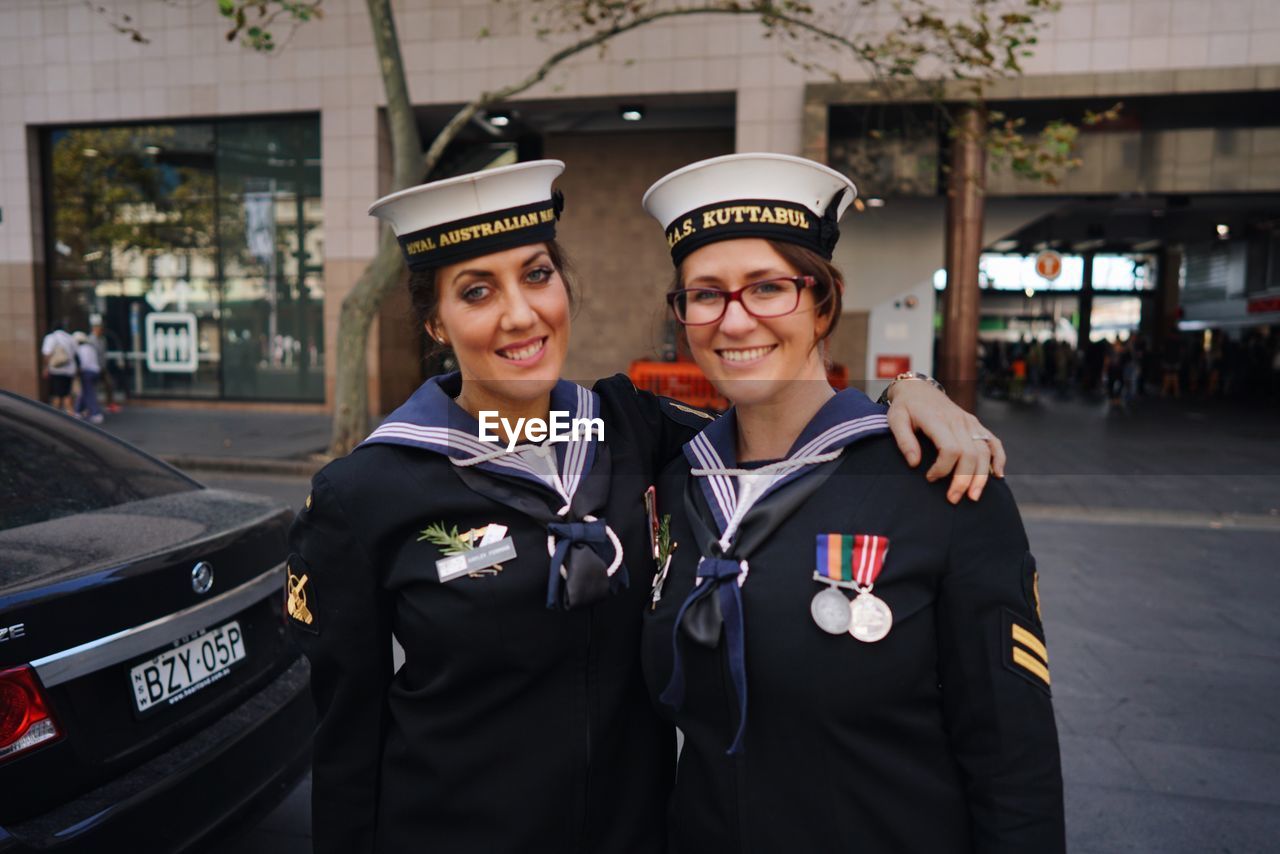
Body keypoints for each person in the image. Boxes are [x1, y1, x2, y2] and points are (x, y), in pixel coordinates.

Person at [288, 160, 1005, 853]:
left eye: (538, 275)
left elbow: (786, 432)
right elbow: (345, 742)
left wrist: (908, 391)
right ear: (436, 323)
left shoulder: (628, 427)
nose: (519, 313)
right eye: (476, 292)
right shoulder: (367, 493)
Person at [639, 153, 1064, 853]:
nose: (734, 321)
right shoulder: (677, 481)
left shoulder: (942, 486)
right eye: (706, 294)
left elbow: (1013, 766)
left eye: (768, 288)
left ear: (823, 302)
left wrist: (909, 388)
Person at [40, 322, 79, 415]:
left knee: (57, 395)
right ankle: (71, 415)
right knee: (67, 394)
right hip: (69, 370)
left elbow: (47, 354)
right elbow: (75, 354)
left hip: (56, 370)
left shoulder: (51, 337)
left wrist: (45, 367)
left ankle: (54, 417)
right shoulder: (70, 338)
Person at [73, 331, 105, 424]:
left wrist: (78, 371)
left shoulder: (81, 349)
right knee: (85, 392)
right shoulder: (90, 347)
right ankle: (78, 411)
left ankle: (96, 413)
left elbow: (83, 364)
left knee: (89, 393)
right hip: (95, 371)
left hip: (87, 372)